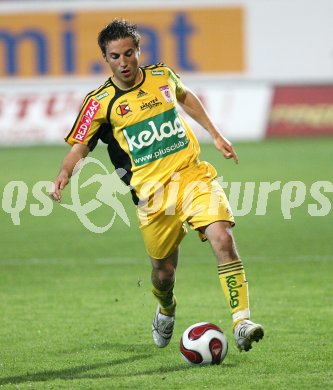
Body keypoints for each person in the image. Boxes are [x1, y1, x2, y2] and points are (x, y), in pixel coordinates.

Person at [50, 18, 264, 352]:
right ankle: (166, 307)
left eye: (129, 53)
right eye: (115, 56)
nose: (124, 62)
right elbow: (79, 147)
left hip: (192, 175)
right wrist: (64, 174)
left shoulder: (161, 75)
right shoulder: (100, 102)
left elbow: (185, 95)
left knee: (222, 236)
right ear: (104, 58)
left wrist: (216, 133)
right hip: (152, 197)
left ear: (138, 51)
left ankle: (241, 321)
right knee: (163, 273)